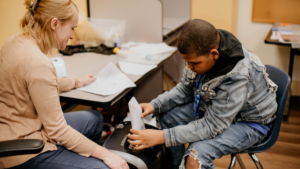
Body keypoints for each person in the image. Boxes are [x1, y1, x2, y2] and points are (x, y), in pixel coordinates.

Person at [127, 19, 278, 169]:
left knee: (195, 155)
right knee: (167, 116)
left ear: (214, 54)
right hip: (217, 109)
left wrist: (162, 137)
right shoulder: (201, 54)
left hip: (248, 122)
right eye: (187, 62)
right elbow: (185, 89)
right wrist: (155, 105)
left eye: (194, 63)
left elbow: (212, 126)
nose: (190, 67)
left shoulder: (237, 74)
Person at [0, 0, 129, 169]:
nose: (72, 36)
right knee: (103, 167)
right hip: (23, 149)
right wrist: (107, 155)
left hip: (19, 128)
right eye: (72, 28)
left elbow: (37, 82)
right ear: (54, 24)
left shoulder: (14, 41)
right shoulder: (38, 62)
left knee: (94, 119)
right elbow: (58, 130)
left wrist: (76, 82)